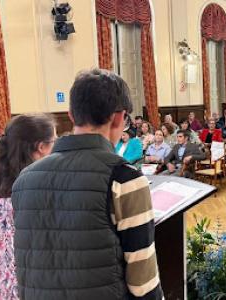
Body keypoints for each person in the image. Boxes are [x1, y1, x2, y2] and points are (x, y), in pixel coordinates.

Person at [11, 69, 163, 299]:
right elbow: (143, 285)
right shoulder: (124, 178)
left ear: (71, 115)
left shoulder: (25, 179)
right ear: (119, 118)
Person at [0, 114, 56, 300]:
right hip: (30, 290)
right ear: (41, 148)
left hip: (3, 289)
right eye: (54, 141)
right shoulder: (36, 198)